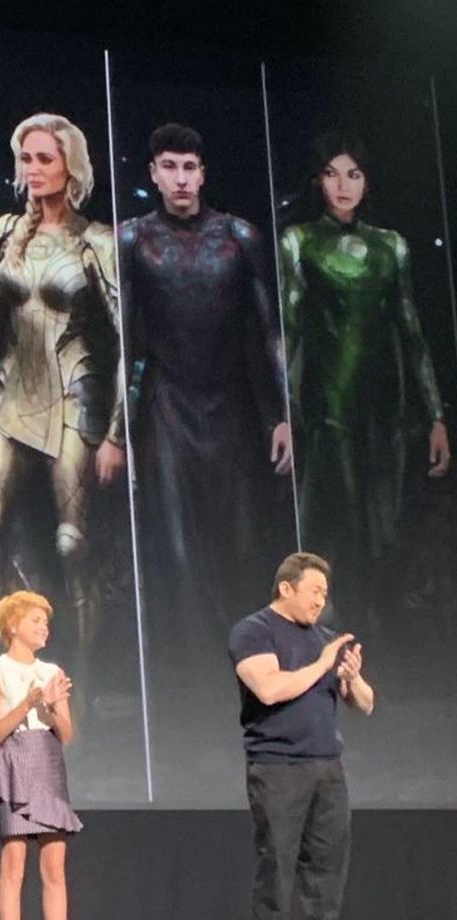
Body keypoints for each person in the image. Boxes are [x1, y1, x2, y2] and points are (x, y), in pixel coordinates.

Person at [120, 122, 291, 648]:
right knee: (176, 549)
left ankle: (248, 662)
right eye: (170, 167)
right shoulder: (132, 239)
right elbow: (120, 341)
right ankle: (187, 674)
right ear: (153, 173)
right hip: (166, 403)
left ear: (202, 174)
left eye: (189, 167)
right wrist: (114, 431)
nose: (180, 178)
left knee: (240, 542)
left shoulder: (239, 236)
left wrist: (283, 415)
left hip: (231, 403)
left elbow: (270, 332)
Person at [0, 114, 122, 653]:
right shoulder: (7, 231)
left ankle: (84, 674)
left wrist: (116, 434)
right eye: (25, 158)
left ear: (70, 166)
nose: (32, 168)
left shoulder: (96, 240)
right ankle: (22, 641)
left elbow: (126, 341)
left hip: (75, 396)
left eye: (45, 158)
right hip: (11, 400)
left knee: (73, 543)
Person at [278, 134, 450, 634]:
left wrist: (436, 416)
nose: (343, 185)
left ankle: (379, 630)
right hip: (326, 401)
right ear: (318, 180)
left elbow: (411, 329)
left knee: (383, 523)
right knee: (339, 517)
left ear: (366, 181)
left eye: (353, 174)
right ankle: (340, 626)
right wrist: (282, 408)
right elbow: (288, 329)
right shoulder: (299, 241)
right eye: (332, 174)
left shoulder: (390, 245)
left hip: (384, 402)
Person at [230, 552, 375, 920]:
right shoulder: (254, 631)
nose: (320, 601)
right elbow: (270, 689)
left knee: (327, 869)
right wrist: (322, 664)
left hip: (327, 767)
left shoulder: (327, 640)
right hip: (277, 766)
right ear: (286, 588)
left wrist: (351, 678)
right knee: (276, 864)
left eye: (325, 594)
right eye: (314, 591)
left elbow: (366, 704)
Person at [0, 590, 82, 920]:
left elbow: (66, 734)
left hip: (48, 764)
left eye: (46, 622)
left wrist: (51, 707)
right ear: (13, 625)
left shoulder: (52, 671)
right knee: (14, 865)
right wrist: (27, 703)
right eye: (36, 620)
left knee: (54, 867)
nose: (44, 628)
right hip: (14, 764)